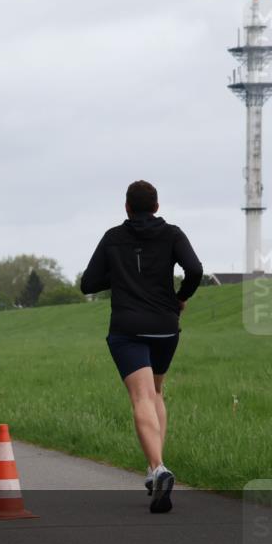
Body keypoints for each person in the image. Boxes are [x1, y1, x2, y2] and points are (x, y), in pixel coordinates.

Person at [80, 180, 202, 514]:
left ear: (126, 207)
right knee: (156, 393)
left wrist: (119, 276)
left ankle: (158, 467)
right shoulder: (173, 234)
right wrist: (180, 297)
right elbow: (195, 269)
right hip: (165, 327)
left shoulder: (113, 237)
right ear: (157, 206)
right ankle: (154, 470)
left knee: (141, 397)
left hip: (128, 328)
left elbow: (88, 283)